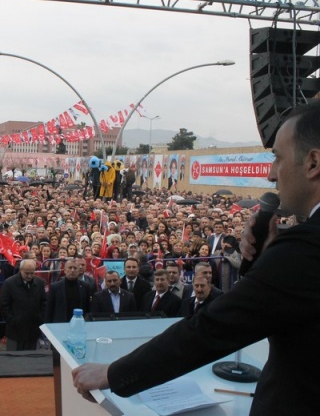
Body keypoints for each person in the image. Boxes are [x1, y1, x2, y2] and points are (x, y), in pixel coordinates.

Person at [72, 101, 320, 415]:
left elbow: (214, 327)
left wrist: (114, 373)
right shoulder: (300, 246)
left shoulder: (307, 248)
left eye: (278, 158)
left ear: (312, 163)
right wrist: (269, 256)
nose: (271, 175)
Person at [0, 259, 46, 351]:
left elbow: (44, 302)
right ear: (20, 270)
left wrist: (40, 318)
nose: (29, 276)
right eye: (27, 273)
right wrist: (12, 320)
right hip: (15, 330)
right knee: (14, 358)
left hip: (33, 329)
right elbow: (4, 305)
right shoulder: (9, 283)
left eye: (32, 273)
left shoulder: (40, 283)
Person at [44, 258, 92, 323]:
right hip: (60, 324)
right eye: (70, 267)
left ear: (78, 271)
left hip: (79, 324)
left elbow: (88, 308)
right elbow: (49, 310)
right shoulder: (55, 287)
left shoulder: (85, 286)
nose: (72, 270)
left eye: (75, 268)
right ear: (65, 270)